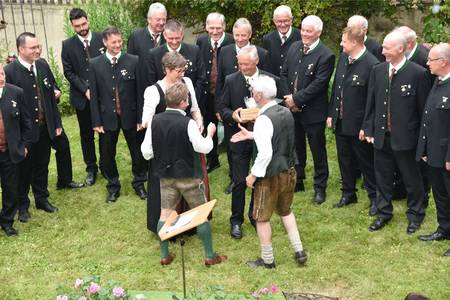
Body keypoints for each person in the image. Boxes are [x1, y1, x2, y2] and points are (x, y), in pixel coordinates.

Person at [230, 75, 307, 268]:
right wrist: (252, 135)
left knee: (261, 218)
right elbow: (277, 136)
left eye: (253, 92)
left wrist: (252, 175)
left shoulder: (263, 119)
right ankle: (299, 251)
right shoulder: (285, 111)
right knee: (286, 212)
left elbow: (265, 154)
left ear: (258, 95)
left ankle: (267, 260)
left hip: (269, 176)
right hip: (289, 171)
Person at [150, 81, 226, 266]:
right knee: (201, 215)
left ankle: (164, 255)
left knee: (164, 215)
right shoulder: (189, 123)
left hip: (166, 177)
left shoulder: (155, 120)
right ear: (184, 102)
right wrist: (210, 133)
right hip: (189, 177)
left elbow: (146, 151)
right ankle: (209, 256)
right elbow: (205, 148)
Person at [362, 30, 431, 233]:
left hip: (406, 138)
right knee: (382, 177)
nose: (382, 51)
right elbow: (371, 103)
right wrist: (368, 128)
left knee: (411, 179)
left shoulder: (418, 73)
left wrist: (421, 141)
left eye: (387, 48)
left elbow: (422, 111)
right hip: (382, 136)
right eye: (383, 47)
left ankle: (416, 214)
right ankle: (384, 212)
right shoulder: (378, 70)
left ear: (401, 49)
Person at [217, 45, 280, 239]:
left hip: (262, 139)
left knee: (259, 178)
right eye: (240, 64)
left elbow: (280, 106)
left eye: (246, 64)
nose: (242, 68)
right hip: (239, 137)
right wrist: (234, 116)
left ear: (257, 62)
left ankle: (255, 215)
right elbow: (222, 107)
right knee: (238, 181)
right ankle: (236, 221)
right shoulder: (231, 80)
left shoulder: (270, 80)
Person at [141, 51, 203, 234]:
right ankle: (165, 227)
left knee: (188, 183)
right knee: (166, 190)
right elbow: (147, 120)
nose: (182, 74)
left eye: (183, 70)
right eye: (178, 71)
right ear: (167, 70)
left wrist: (198, 124)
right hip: (164, 149)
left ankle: (189, 226)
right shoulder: (153, 91)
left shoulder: (188, 83)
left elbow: (196, 109)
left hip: (186, 145)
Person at [5, 32, 63, 220]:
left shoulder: (43, 65)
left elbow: (50, 94)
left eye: (38, 46)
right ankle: (23, 205)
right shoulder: (10, 72)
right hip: (24, 132)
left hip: (45, 127)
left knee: (42, 165)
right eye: (33, 48)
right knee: (24, 169)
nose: (37, 50)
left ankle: (41, 198)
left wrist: (56, 123)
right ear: (21, 49)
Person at [89, 26, 147, 203]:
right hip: (107, 118)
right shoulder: (95, 64)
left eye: (119, 41)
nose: (117, 45)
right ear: (105, 42)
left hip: (131, 117)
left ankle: (139, 183)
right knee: (107, 155)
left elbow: (140, 92)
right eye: (113, 42)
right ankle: (113, 186)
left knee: (137, 153)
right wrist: (96, 121)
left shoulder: (134, 61)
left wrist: (140, 118)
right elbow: (94, 96)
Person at [281, 15, 335, 201]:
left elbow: (319, 84)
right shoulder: (294, 47)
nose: (304, 33)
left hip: (313, 112)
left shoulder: (326, 55)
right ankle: (299, 179)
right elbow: (284, 73)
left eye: (309, 31)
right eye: (303, 29)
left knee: (317, 149)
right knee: (296, 147)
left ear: (318, 32)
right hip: (292, 109)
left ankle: (320, 186)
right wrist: (289, 99)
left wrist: (296, 99)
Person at [327, 26, 379, 215]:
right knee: (344, 159)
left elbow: (373, 100)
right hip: (341, 122)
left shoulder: (371, 64)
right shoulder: (343, 58)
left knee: (366, 162)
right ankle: (348, 193)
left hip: (359, 126)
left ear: (356, 42)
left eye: (344, 41)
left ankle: (374, 197)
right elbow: (337, 89)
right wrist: (332, 113)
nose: (341, 44)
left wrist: (367, 126)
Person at [216, 17, 270, 194]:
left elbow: (268, 80)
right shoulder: (224, 51)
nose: (240, 39)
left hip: (257, 109)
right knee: (234, 147)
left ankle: (257, 176)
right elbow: (220, 80)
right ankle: (235, 178)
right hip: (233, 105)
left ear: (250, 35)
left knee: (258, 146)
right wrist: (220, 108)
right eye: (237, 35)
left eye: (243, 35)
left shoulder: (262, 53)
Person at [62, 7, 105, 186]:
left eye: (84, 23)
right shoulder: (67, 45)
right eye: (78, 26)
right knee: (86, 134)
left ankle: (106, 165)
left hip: (103, 96)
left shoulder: (102, 38)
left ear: (88, 20)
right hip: (82, 98)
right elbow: (68, 72)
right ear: (72, 26)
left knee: (105, 132)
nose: (82, 28)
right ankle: (91, 168)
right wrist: (85, 90)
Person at [415, 43, 450, 256]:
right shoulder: (437, 82)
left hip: (447, 154)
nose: (427, 63)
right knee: (440, 194)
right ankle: (444, 228)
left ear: (444, 62)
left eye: (431, 60)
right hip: (435, 152)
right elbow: (429, 118)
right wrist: (425, 148)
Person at [196, 12, 234, 173]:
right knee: (208, 125)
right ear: (206, 27)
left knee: (230, 127)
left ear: (224, 27)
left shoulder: (232, 40)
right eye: (211, 27)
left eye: (218, 27)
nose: (215, 31)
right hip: (207, 94)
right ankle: (213, 159)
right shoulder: (202, 41)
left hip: (227, 93)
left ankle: (234, 164)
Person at [138, 19, 206, 108]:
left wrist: (189, 100)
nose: (174, 42)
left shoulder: (194, 50)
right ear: (165, 35)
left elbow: (201, 79)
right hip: (164, 107)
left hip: (189, 105)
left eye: (177, 38)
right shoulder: (154, 54)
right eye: (171, 38)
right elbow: (152, 81)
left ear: (182, 35)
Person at [0, 64, 32, 236]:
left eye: (2, 73)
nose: (1, 77)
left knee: (10, 188)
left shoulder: (16, 93)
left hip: (10, 151)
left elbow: (26, 123)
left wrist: (25, 146)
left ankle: (6, 221)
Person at [262, 5, 301, 77]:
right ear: (274, 21)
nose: (282, 25)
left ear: (291, 19)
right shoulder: (267, 39)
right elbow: (266, 65)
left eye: (286, 21)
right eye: (279, 21)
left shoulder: (300, 36)